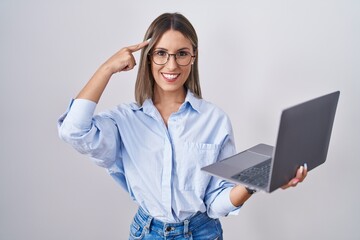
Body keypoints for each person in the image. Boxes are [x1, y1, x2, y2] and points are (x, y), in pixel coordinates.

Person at [58, 12, 307, 239]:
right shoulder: (125, 120)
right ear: (148, 57)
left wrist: (254, 183)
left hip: (202, 233)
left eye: (182, 53)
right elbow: (74, 131)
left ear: (193, 57)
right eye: (161, 53)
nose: (172, 65)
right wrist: (107, 68)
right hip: (147, 233)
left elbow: (215, 203)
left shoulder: (214, 120)